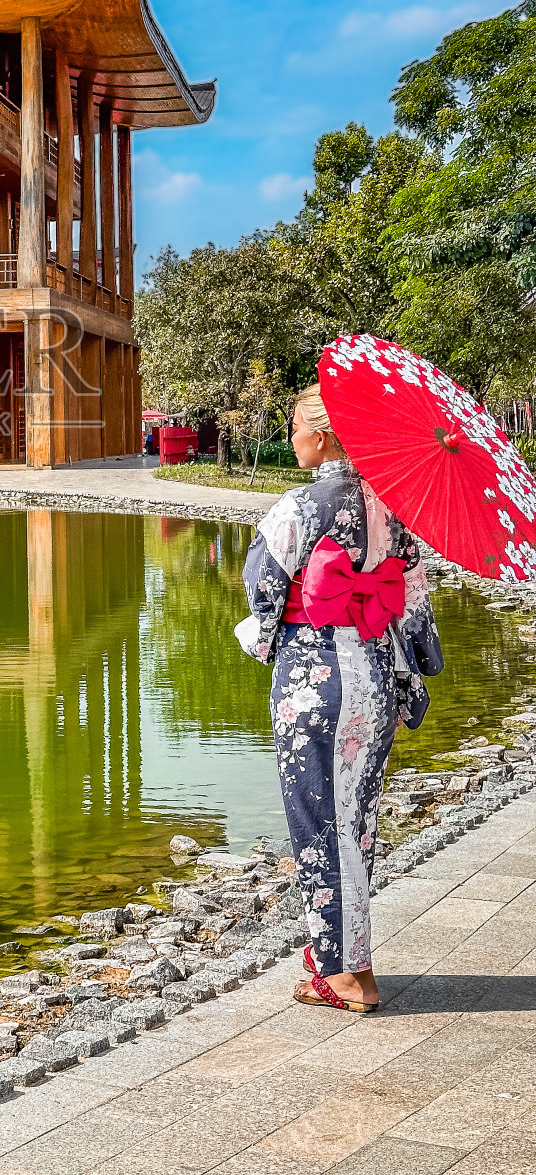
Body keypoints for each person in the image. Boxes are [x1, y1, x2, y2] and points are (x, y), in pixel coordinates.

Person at [239, 383, 441, 1013]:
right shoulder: (394, 510)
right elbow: (415, 605)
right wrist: (418, 670)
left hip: (317, 676)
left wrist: (265, 640)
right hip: (376, 676)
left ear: (320, 435)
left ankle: (347, 972)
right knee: (355, 820)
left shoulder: (301, 505)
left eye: (296, 425)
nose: (292, 436)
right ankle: (338, 959)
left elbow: (263, 588)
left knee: (316, 823)